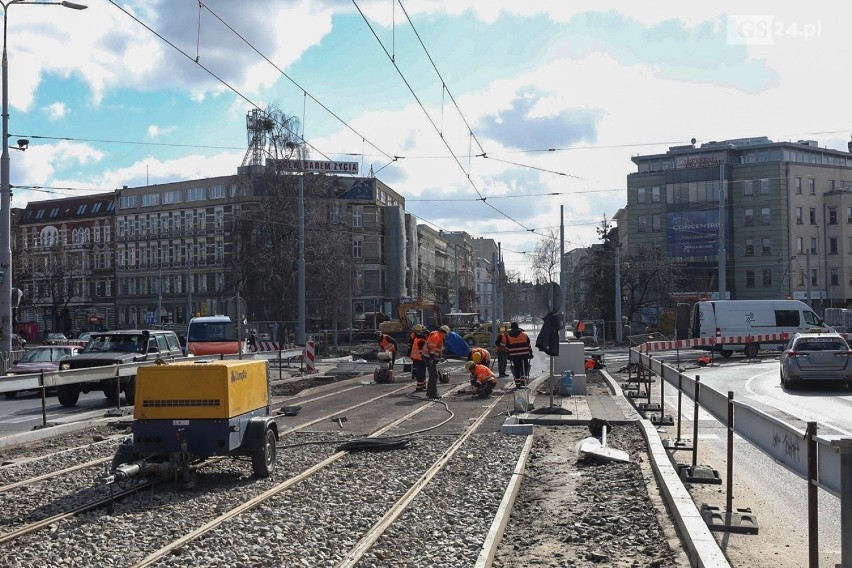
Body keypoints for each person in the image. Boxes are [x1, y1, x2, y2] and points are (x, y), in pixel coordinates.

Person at [423, 325, 450, 398]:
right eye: (446, 335)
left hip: (429, 357)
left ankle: (430, 392)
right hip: (429, 358)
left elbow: (438, 348)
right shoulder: (437, 336)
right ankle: (433, 394)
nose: (445, 337)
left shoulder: (438, 336)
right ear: (444, 332)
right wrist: (432, 358)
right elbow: (432, 346)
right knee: (434, 376)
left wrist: (438, 357)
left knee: (433, 375)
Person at [506, 321, 532, 389]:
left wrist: (508, 355)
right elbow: (528, 345)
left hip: (514, 355)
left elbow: (507, 347)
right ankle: (523, 381)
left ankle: (518, 384)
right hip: (524, 354)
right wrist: (531, 353)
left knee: (517, 369)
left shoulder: (508, 336)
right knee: (525, 368)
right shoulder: (524, 335)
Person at [410, 327, 428, 392]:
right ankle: (419, 387)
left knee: (421, 372)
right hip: (420, 359)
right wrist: (426, 359)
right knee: (421, 373)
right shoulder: (421, 341)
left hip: (416, 358)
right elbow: (422, 352)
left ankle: (423, 386)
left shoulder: (417, 339)